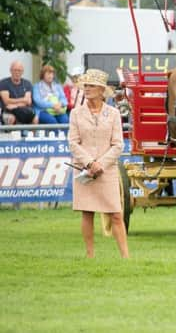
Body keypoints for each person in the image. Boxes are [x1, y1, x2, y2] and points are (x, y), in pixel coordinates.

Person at [68, 69, 129, 258]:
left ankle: (126, 257)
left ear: (102, 90)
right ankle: (90, 255)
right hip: (84, 170)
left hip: (107, 171)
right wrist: (89, 163)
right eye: (85, 85)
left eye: (91, 85)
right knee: (87, 213)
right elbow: (73, 142)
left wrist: (100, 164)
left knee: (116, 214)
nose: (87, 89)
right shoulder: (76, 114)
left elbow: (118, 144)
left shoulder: (113, 114)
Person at [0, 61, 38, 125]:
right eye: (15, 70)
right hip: (8, 111)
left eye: (19, 70)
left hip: (24, 111)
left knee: (35, 118)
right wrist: (23, 100)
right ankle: (9, 134)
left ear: (22, 72)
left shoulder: (27, 83)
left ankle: (33, 135)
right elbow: (6, 101)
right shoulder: (3, 83)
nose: (17, 72)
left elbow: (28, 101)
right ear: (11, 70)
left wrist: (15, 105)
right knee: (10, 118)